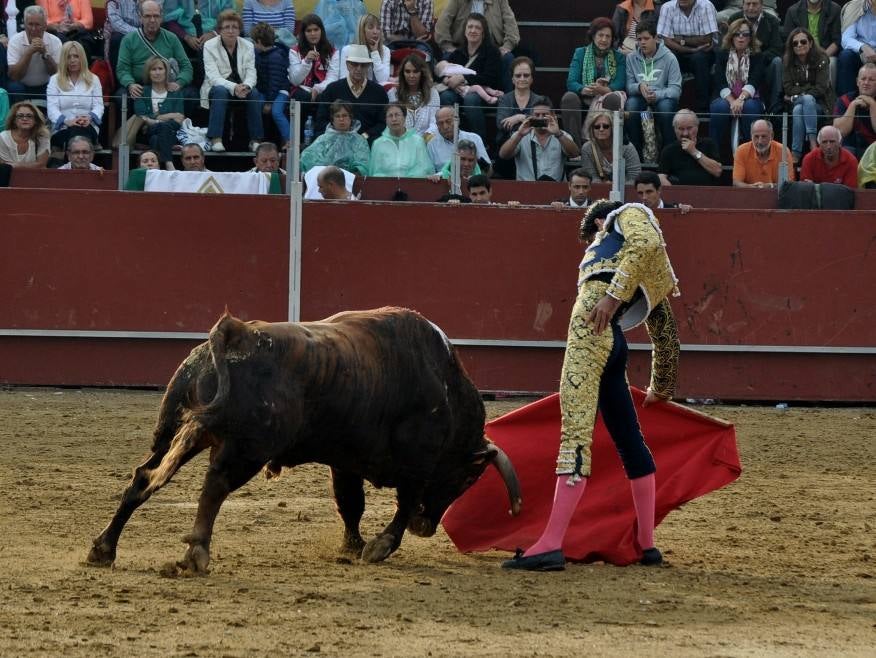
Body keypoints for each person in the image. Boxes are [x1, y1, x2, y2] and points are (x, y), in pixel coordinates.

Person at [501, 199, 680, 572]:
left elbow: (644, 242)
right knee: (630, 441)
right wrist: (661, 384)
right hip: (614, 341)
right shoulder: (642, 267)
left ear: (600, 220)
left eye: (593, 234)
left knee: (576, 434)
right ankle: (647, 545)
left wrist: (612, 298)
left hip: (590, 330)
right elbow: (663, 325)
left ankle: (550, 544)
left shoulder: (626, 216)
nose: (594, 244)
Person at [200, 9, 263, 153]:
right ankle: (216, 138)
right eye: (226, 27)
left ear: (240, 30)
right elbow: (213, 77)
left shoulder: (248, 45)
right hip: (217, 88)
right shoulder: (209, 46)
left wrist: (246, 85)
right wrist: (234, 87)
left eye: (234, 27)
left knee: (254, 93)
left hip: (242, 87)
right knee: (221, 91)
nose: (230, 31)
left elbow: (251, 71)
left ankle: (255, 140)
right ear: (220, 29)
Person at [560, 17, 627, 148]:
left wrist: (604, 90)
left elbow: (620, 83)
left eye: (608, 36)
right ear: (593, 36)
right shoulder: (580, 53)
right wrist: (584, 89)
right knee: (569, 97)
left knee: (613, 98)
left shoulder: (619, 56)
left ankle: (610, 147)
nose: (604, 39)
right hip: (585, 96)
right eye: (600, 35)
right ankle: (575, 149)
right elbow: (571, 82)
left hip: (606, 96)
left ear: (612, 39)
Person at [436, 12, 503, 137]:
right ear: (465, 30)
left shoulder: (492, 52)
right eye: (470, 27)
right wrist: (447, 80)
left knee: (470, 99)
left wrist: (463, 78)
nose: (473, 30)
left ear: (483, 32)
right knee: (446, 96)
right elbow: (441, 72)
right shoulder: (458, 52)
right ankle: (451, 137)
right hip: (458, 91)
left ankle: (479, 140)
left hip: (482, 93)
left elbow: (491, 78)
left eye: (477, 28)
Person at [116, 1, 194, 107]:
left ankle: (177, 122)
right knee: (121, 96)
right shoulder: (128, 39)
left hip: (166, 85)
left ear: (161, 17)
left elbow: (186, 67)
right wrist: (130, 84)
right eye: (147, 16)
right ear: (140, 17)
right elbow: (122, 69)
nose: (152, 20)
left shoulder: (172, 38)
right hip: (140, 86)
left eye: (156, 16)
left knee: (191, 94)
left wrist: (178, 83)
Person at [625, 20, 682, 159]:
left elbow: (675, 90)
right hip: (640, 96)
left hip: (662, 97)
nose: (642, 42)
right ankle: (636, 154)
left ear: (655, 38)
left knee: (666, 109)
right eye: (639, 39)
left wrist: (657, 95)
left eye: (646, 38)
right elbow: (629, 86)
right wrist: (639, 87)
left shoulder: (669, 58)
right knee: (631, 107)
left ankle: (668, 154)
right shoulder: (631, 58)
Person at [434, 0, 519, 91]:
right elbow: (442, 24)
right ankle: (451, 93)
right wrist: (448, 46)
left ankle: (506, 99)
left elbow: (511, 26)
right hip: (462, 47)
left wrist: (507, 46)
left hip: (493, 48)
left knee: (508, 57)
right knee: (448, 56)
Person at [314, 44, 390, 144]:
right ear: (347, 65)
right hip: (336, 143)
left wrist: (365, 136)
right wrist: (338, 135)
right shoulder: (332, 89)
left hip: (368, 143)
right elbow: (321, 121)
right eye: (354, 64)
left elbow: (383, 123)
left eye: (363, 65)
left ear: (368, 66)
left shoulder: (379, 92)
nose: (358, 68)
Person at [709, 18, 766, 150]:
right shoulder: (722, 54)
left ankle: (752, 152)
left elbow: (755, 80)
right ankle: (715, 153)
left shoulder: (758, 56)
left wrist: (740, 99)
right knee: (720, 108)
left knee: (750, 107)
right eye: (737, 34)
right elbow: (720, 81)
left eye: (745, 34)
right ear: (731, 36)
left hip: (750, 97)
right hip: (725, 96)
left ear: (750, 38)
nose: (741, 38)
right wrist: (732, 101)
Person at [283, 14, 338, 150]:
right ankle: (299, 141)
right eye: (309, 31)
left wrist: (318, 88)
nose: (313, 34)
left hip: (323, 89)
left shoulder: (332, 51)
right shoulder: (294, 51)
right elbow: (295, 80)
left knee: (325, 98)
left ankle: (320, 140)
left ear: (322, 31)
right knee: (302, 98)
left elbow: (333, 77)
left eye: (316, 30)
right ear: (303, 33)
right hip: (302, 89)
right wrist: (306, 61)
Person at [657, 0, 718, 114]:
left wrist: (680, 39)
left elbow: (706, 40)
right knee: (668, 55)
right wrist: (691, 48)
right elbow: (667, 41)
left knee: (699, 59)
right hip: (677, 52)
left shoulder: (706, 6)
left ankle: (702, 109)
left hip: (703, 53)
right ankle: (667, 105)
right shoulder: (667, 7)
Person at [783, 28, 833, 163]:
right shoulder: (788, 61)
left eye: (803, 41)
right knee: (801, 105)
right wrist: (803, 94)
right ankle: (812, 144)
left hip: (821, 104)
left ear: (810, 43)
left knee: (803, 105)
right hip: (799, 102)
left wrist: (798, 94)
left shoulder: (822, 58)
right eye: (795, 43)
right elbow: (787, 88)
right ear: (792, 47)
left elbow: (821, 88)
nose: (799, 45)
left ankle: (796, 153)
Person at [497, 98, 579, 182]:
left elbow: (574, 154)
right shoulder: (521, 135)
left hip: (555, 189)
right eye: (537, 115)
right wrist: (519, 135)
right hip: (526, 189)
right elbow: (503, 155)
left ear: (553, 116)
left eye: (544, 115)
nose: (540, 118)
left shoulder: (562, 135)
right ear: (530, 117)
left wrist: (558, 134)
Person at [726, 0, 784, 114]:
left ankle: (775, 108)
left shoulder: (772, 21)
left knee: (777, 61)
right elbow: (727, 44)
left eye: (755, 4)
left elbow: (777, 49)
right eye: (748, 4)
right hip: (738, 62)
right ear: (742, 5)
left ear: (762, 6)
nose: (751, 7)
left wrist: (755, 58)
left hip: (764, 64)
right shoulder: (734, 18)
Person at [46, 40, 103, 153]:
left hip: (88, 126)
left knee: (79, 130)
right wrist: (67, 121)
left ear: (82, 58)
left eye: (76, 56)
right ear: (63, 60)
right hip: (62, 128)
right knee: (74, 132)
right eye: (68, 57)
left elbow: (99, 106)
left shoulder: (94, 79)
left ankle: (70, 167)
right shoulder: (54, 80)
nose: (72, 60)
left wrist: (89, 118)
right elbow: (52, 108)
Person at [134, 56, 185, 170]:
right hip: (146, 133)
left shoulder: (175, 92)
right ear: (148, 72)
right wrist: (168, 116)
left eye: (160, 69)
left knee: (156, 139)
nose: (157, 72)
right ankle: (168, 163)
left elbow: (179, 120)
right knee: (163, 127)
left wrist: (155, 119)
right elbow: (142, 117)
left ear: (166, 71)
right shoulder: (142, 91)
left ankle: (158, 167)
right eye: (153, 69)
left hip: (169, 133)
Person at [6, 5, 62, 101]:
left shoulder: (55, 41)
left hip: (46, 85)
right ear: (24, 24)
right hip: (22, 85)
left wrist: (45, 53)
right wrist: (29, 52)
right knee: (14, 87)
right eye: (30, 24)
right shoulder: (15, 40)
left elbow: (57, 74)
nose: (33, 29)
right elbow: (13, 75)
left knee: (59, 86)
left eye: (37, 25)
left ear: (45, 25)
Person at [300, 99, 371, 175]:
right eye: (337, 116)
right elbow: (306, 159)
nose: (341, 119)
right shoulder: (323, 139)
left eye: (344, 115)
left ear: (351, 118)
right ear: (332, 120)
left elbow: (363, 166)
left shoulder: (359, 141)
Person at [658, 108, 723, 186]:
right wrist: (674, 193)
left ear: (697, 127)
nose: (685, 133)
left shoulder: (708, 144)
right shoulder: (668, 150)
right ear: (674, 129)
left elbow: (717, 171)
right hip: (679, 195)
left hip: (707, 193)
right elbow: (661, 177)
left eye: (689, 128)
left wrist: (694, 151)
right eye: (681, 129)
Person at [782, 0, 841, 84]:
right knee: (787, 60)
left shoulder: (835, 9)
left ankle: (829, 96)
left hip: (825, 53)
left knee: (831, 63)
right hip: (801, 53)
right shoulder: (793, 11)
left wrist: (824, 57)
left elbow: (837, 41)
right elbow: (788, 40)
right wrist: (802, 56)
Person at [368, 102, 434, 177]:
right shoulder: (378, 144)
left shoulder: (417, 141)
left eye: (397, 115)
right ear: (385, 120)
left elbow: (423, 169)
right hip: (386, 187)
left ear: (404, 117)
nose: (394, 119)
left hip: (412, 185)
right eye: (390, 116)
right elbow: (375, 173)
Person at [578, 110, 642, 185]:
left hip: (626, 190)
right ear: (592, 130)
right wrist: (604, 186)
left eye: (605, 126)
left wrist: (615, 186)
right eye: (597, 127)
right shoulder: (587, 148)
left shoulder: (627, 147)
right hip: (598, 191)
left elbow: (635, 177)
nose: (601, 129)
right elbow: (591, 177)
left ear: (612, 128)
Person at [251, 22, 289, 147]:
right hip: (266, 91)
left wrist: (269, 102)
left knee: (276, 112)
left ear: (260, 41)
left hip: (280, 91)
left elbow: (275, 82)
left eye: (254, 42)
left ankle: (289, 139)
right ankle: (257, 138)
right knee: (255, 105)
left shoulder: (276, 57)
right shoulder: (259, 54)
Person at [732, 118, 796, 187]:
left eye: (764, 136)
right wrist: (753, 188)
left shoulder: (783, 151)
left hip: (776, 196)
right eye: (756, 137)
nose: (760, 141)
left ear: (772, 136)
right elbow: (736, 182)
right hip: (749, 195)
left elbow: (789, 183)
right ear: (751, 136)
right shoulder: (741, 151)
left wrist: (770, 186)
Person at [387, 53, 440, 136]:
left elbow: (435, 123)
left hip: (427, 141)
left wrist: (422, 141)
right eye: (407, 71)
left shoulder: (432, 93)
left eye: (415, 71)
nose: (411, 75)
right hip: (402, 140)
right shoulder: (393, 93)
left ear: (422, 73)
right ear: (402, 73)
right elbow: (393, 124)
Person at [496, 56, 542, 151]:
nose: (522, 78)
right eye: (518, 75)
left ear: (532, 78)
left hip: (534, 147)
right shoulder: (504, 99)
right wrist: (530, 121)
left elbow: (543, 123)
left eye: (526, 75)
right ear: (512, 79)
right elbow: (501, 124)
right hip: (507, 147)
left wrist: (519, 118)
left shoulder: (540, 100)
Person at [426, 105, 490, 172]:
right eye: (440, 123)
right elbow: (430, 174)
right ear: (436, 125)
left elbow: (488, 170)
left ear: (457, 121)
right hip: (444, 180)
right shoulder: (432, 145)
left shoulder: (474, 138)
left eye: (448, 121)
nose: (445, 127)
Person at [833, 62, 876, 158]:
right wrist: (852, 105)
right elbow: (840, 132)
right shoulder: (844, 100)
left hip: (874, 148)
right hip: (850, 148)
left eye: (871, 80)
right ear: (857, 81)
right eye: (863, 79)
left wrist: (873, 104)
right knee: (845, 152)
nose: (866, 83)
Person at [336, 13, 391, 86]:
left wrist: (375, 53)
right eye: (370, 28)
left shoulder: (385, 50)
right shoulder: (347, 50)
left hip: (376, 91)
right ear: (362, 30)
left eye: (378, 28)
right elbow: (344, 78)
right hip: (354, 90)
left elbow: (383, 79)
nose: (375, 32)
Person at [836, 0, 876, 98]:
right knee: (845, 56)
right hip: (860, 53)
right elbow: (846, 39)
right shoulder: (855, 6)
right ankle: (846, 104)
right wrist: (862, 47)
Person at [0, 100, 50, 167]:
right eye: (20, 116)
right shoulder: (3, 137)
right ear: (14, 120)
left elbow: (41, 164)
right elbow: (4, 165)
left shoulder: (42, 136)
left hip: (35, 175)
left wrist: (15, 165)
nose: (25, 119)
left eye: (29, 116)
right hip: (8, 176)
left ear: (35, 120)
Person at [104, 0, 142, 71]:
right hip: (119, 33)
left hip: (140, 32)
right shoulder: (113, 2)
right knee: (117, 39)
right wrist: (138, 32)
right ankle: (118, 77)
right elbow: (116, 23)